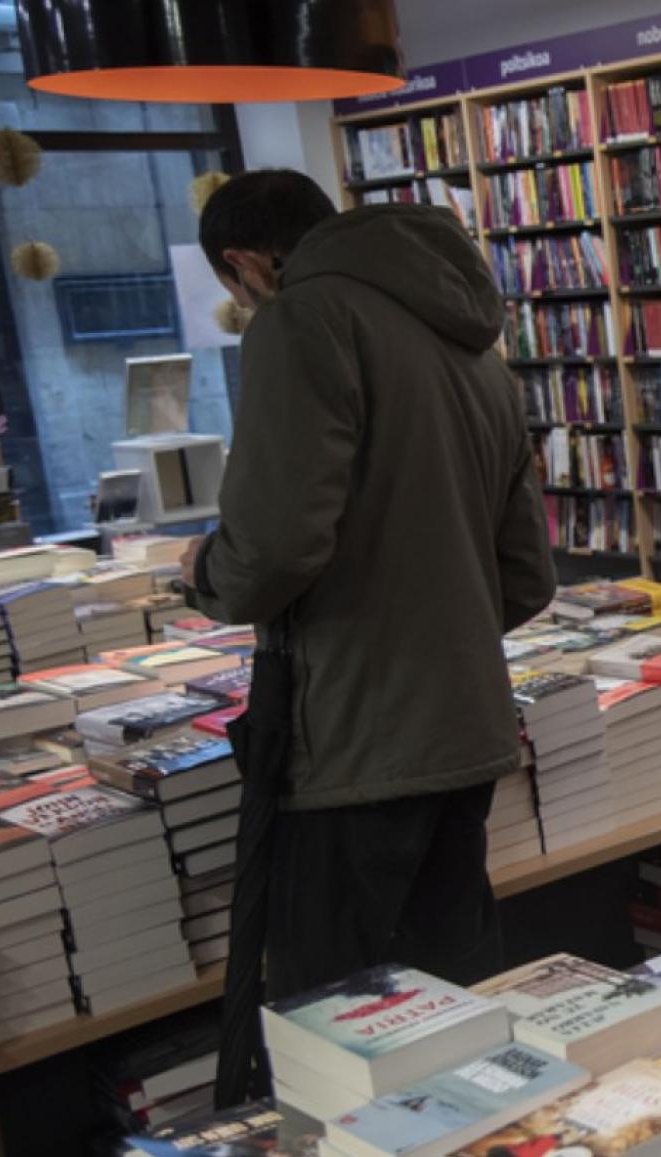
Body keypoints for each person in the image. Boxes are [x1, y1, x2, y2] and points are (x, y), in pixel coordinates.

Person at [184, 171, 555, 998]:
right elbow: (526, 573)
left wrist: (203, 571)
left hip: (353, 738)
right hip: (465, 727)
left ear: (248, 265)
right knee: (454, 996)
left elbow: (271, 550)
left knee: (337, 1019)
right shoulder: (474, 348)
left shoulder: (300, 323)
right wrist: (439, 628)